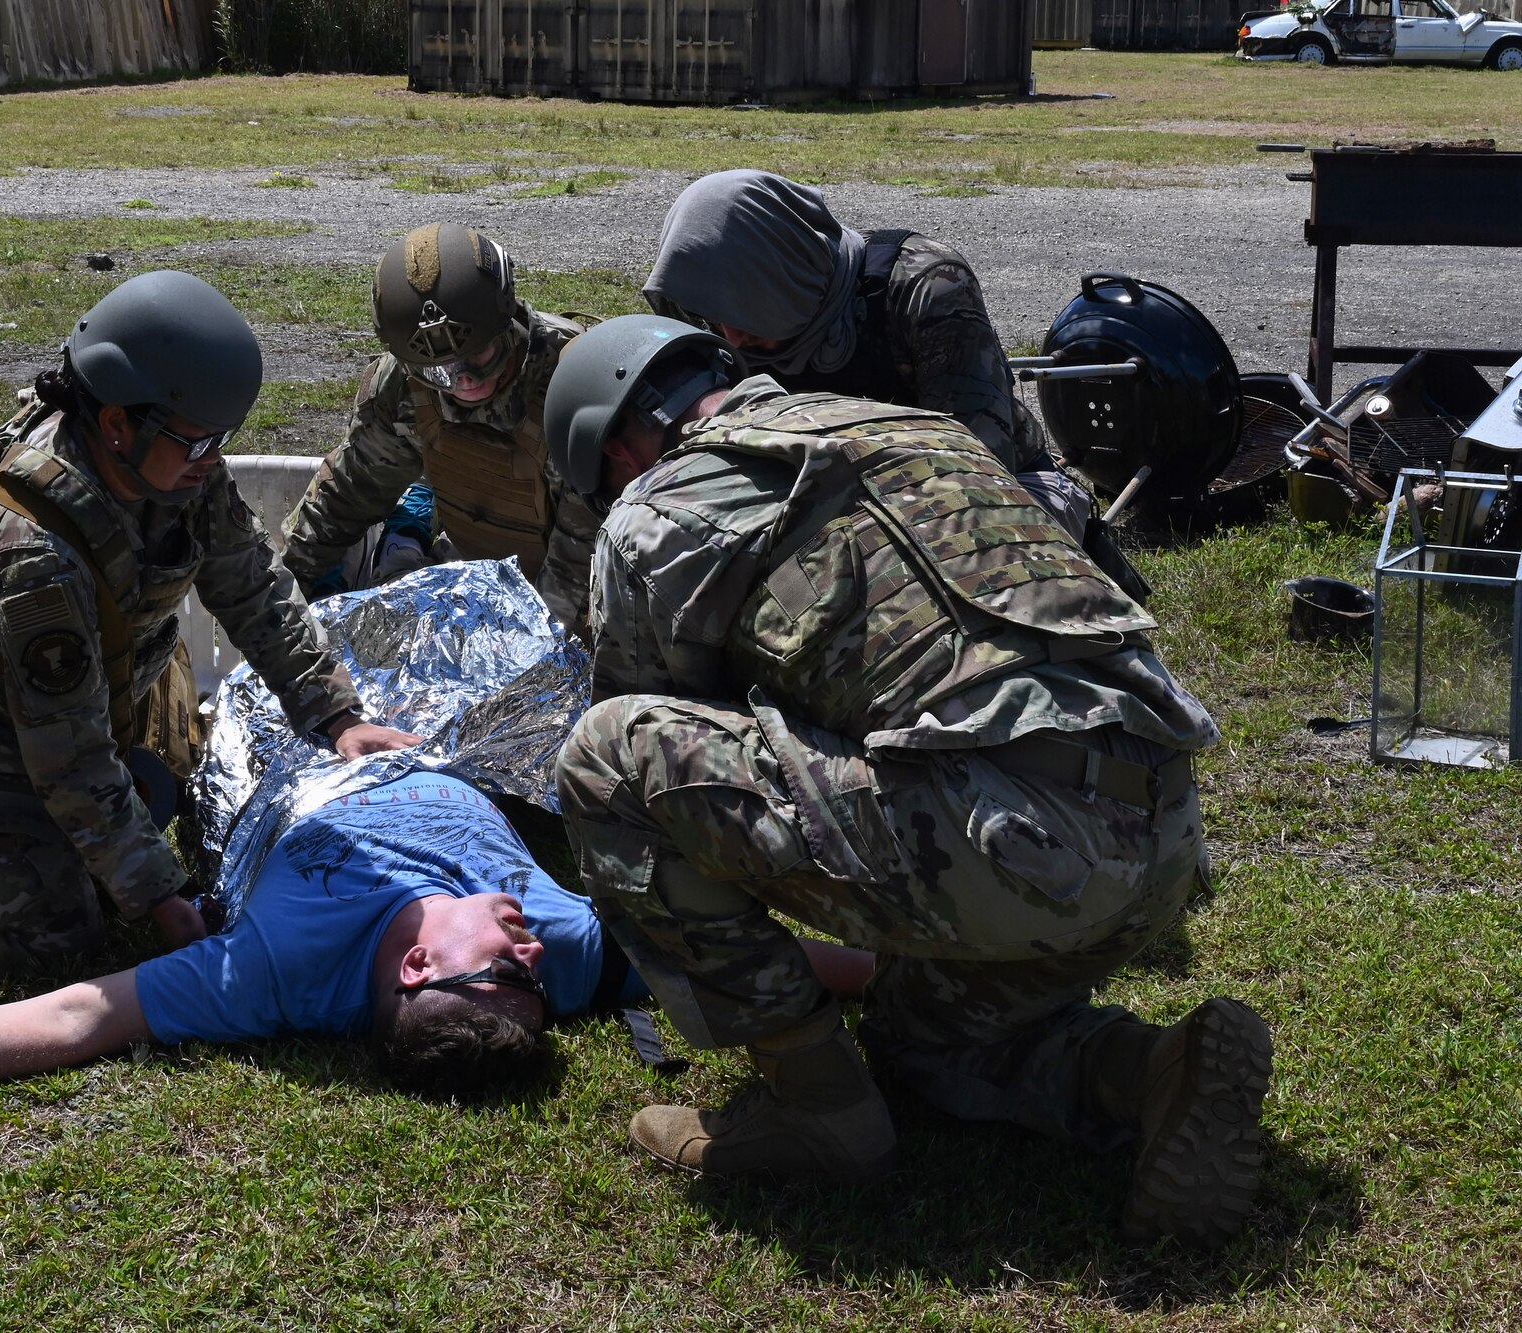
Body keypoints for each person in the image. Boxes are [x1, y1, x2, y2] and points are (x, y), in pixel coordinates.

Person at [540, 315, 1272, 1246]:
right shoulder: (907, 424)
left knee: (606, 755)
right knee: (923, 1043)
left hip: (1006, 842)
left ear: (617, 447)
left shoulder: (654, 514)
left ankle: (814, 1107)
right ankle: (1154, 1071)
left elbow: (663, 749)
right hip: (1160, 832)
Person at [0, 270, 420, 977]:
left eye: (222, 438)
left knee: (163, 799)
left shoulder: (171, 458)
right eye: (200, 441)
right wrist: (163, 898)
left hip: (87, 691)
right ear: (114, 423)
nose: (213, 458)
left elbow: (252, 585)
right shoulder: (35, 556)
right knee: (55, 936)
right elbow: (69, 762)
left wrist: (337, 714)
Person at [0, 768, 877, 1122]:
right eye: (536, 978)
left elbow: (83, 1013)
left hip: (287, 749)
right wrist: (911, 967)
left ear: (421, 970)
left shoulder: (273, 974)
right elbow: (754, 961)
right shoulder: (569, 951)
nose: (534, 951)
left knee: (82, 849)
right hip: (438, 733)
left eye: (513, 966)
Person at [643, 169, 1147, 600]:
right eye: (718, 314)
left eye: (748, 308)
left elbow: (980, 471)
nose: (732, 336)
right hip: (813, 506)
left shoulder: (925, 286)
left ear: (785, 273)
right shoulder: (710, 318)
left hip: (991, 495)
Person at [279, 223, 600, 634]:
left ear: (508, 320)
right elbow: (343, 499)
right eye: (440, 371)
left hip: (584, 604)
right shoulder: (403, 385)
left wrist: (533, 655)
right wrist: (283, 609)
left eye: (478, 356)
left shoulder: (576, 383)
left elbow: (581, 559)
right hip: (482, 580)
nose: (463, 381)